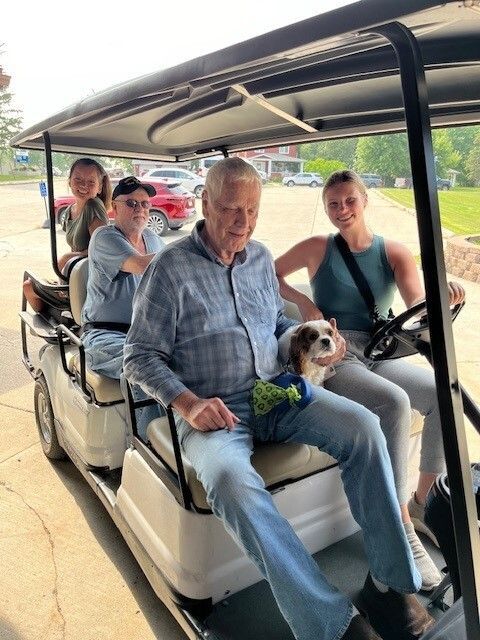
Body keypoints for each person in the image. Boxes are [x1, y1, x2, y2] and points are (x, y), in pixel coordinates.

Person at [124, 158, 434, 640]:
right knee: (229, 479)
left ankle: (390, 586)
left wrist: (309, 338)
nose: (241, 223)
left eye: (251, 210)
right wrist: (187, 404)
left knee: (366, 427)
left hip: (278, 393)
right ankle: (330, 623)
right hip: (214, 411)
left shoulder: (260, 259)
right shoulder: (169, 269)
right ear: (204, 204)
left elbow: (275, 327)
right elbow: (138, 357)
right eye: (229, 209)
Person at [275, 169, 466, 592]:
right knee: (394, 403)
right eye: (333, 204)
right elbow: (270, 272)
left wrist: (442, 295)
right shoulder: (316, 247)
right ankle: (400, 527)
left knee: (440, 393)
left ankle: (422, 501)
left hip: (382, 348)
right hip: (338, 353)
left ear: (365, 201)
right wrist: (305, 303)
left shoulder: (392, 251)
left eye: (349, 201)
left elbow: (416, 300)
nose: (342, 210)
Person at [81, 176, 165, 436]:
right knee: (143, 366)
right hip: (104, 334)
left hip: (143, 333)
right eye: (131, 203)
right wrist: (194, 248)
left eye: (144, 203)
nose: (140, 209)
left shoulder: (153, 238)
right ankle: (147, 448)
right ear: (114, 208)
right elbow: (140, 264)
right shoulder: (105, 236)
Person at [23, 157, 111, 312]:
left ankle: (62, 326)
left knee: (29, 287)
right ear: (69, 181)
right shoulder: (70, 210)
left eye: (91, 182)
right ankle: (60, 322)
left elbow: (102, 250)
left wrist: (67, 259)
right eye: (78, 179)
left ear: (99, 187)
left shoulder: (93, 206)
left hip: (87, 285)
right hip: (71, 279)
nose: (84, 185)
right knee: (30, 285)